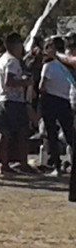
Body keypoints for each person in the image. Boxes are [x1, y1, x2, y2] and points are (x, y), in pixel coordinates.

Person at [0, 32, 34, 174]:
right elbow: (9, 81)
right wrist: (25, 82)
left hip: (4, 100)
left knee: (5, 134)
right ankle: (22, 163)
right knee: (22, 133)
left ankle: (4, 164)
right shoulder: (12, 61)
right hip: (13, 101)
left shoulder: (3, 59)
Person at [39, 36, 76, 174]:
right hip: (65, 100)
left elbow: (42, 86)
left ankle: (56, 165)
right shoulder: (67, 66)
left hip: (51, 100)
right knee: (70, 134)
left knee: (51, 134)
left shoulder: (49, 65)